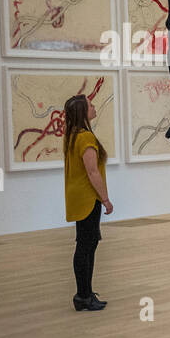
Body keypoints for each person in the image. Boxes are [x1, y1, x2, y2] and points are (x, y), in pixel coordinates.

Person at [62, 94, 112, 311]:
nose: (94, 107)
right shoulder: (85, 138)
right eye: (91, 105)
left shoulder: (72, 135)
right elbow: (92, 172)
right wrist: (106, 199)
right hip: (87, 198)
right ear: (83, 111)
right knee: (86, 246)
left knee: (85, 244)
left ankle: (85, 293)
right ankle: (83, 295)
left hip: (76, 196)